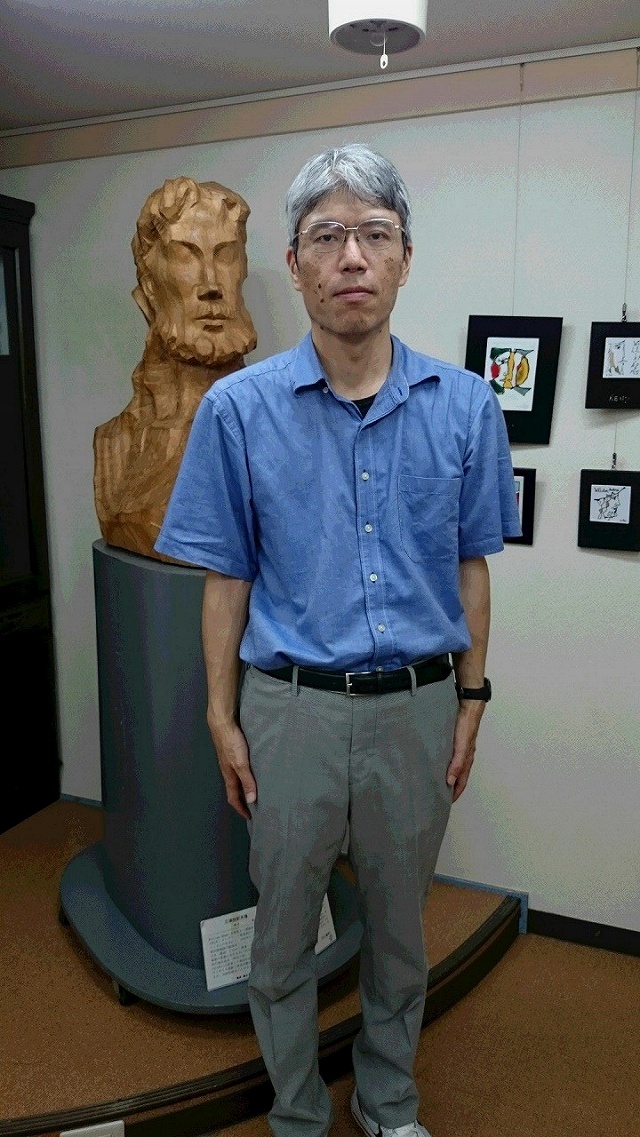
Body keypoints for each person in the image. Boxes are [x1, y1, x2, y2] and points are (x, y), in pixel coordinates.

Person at [156, 144, 521, 1137]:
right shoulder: (237, 411)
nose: (351, 256)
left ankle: (387, 1103)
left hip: (417, 710)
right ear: (294, 263)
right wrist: (222, 717)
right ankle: (298, 1114)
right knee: (281, 938)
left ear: (404, 258)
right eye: (327, 236)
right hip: (291, 714)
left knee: (399, 936)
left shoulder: (465, 406)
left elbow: (471, 568)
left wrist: (471, 701)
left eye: (373, 234)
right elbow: (226, 577)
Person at [94, 176, 256, 559]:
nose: (211, 284)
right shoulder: (114, 444)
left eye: (225, 255)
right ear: (149, 285)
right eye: (186, 255)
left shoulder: (266, 428)